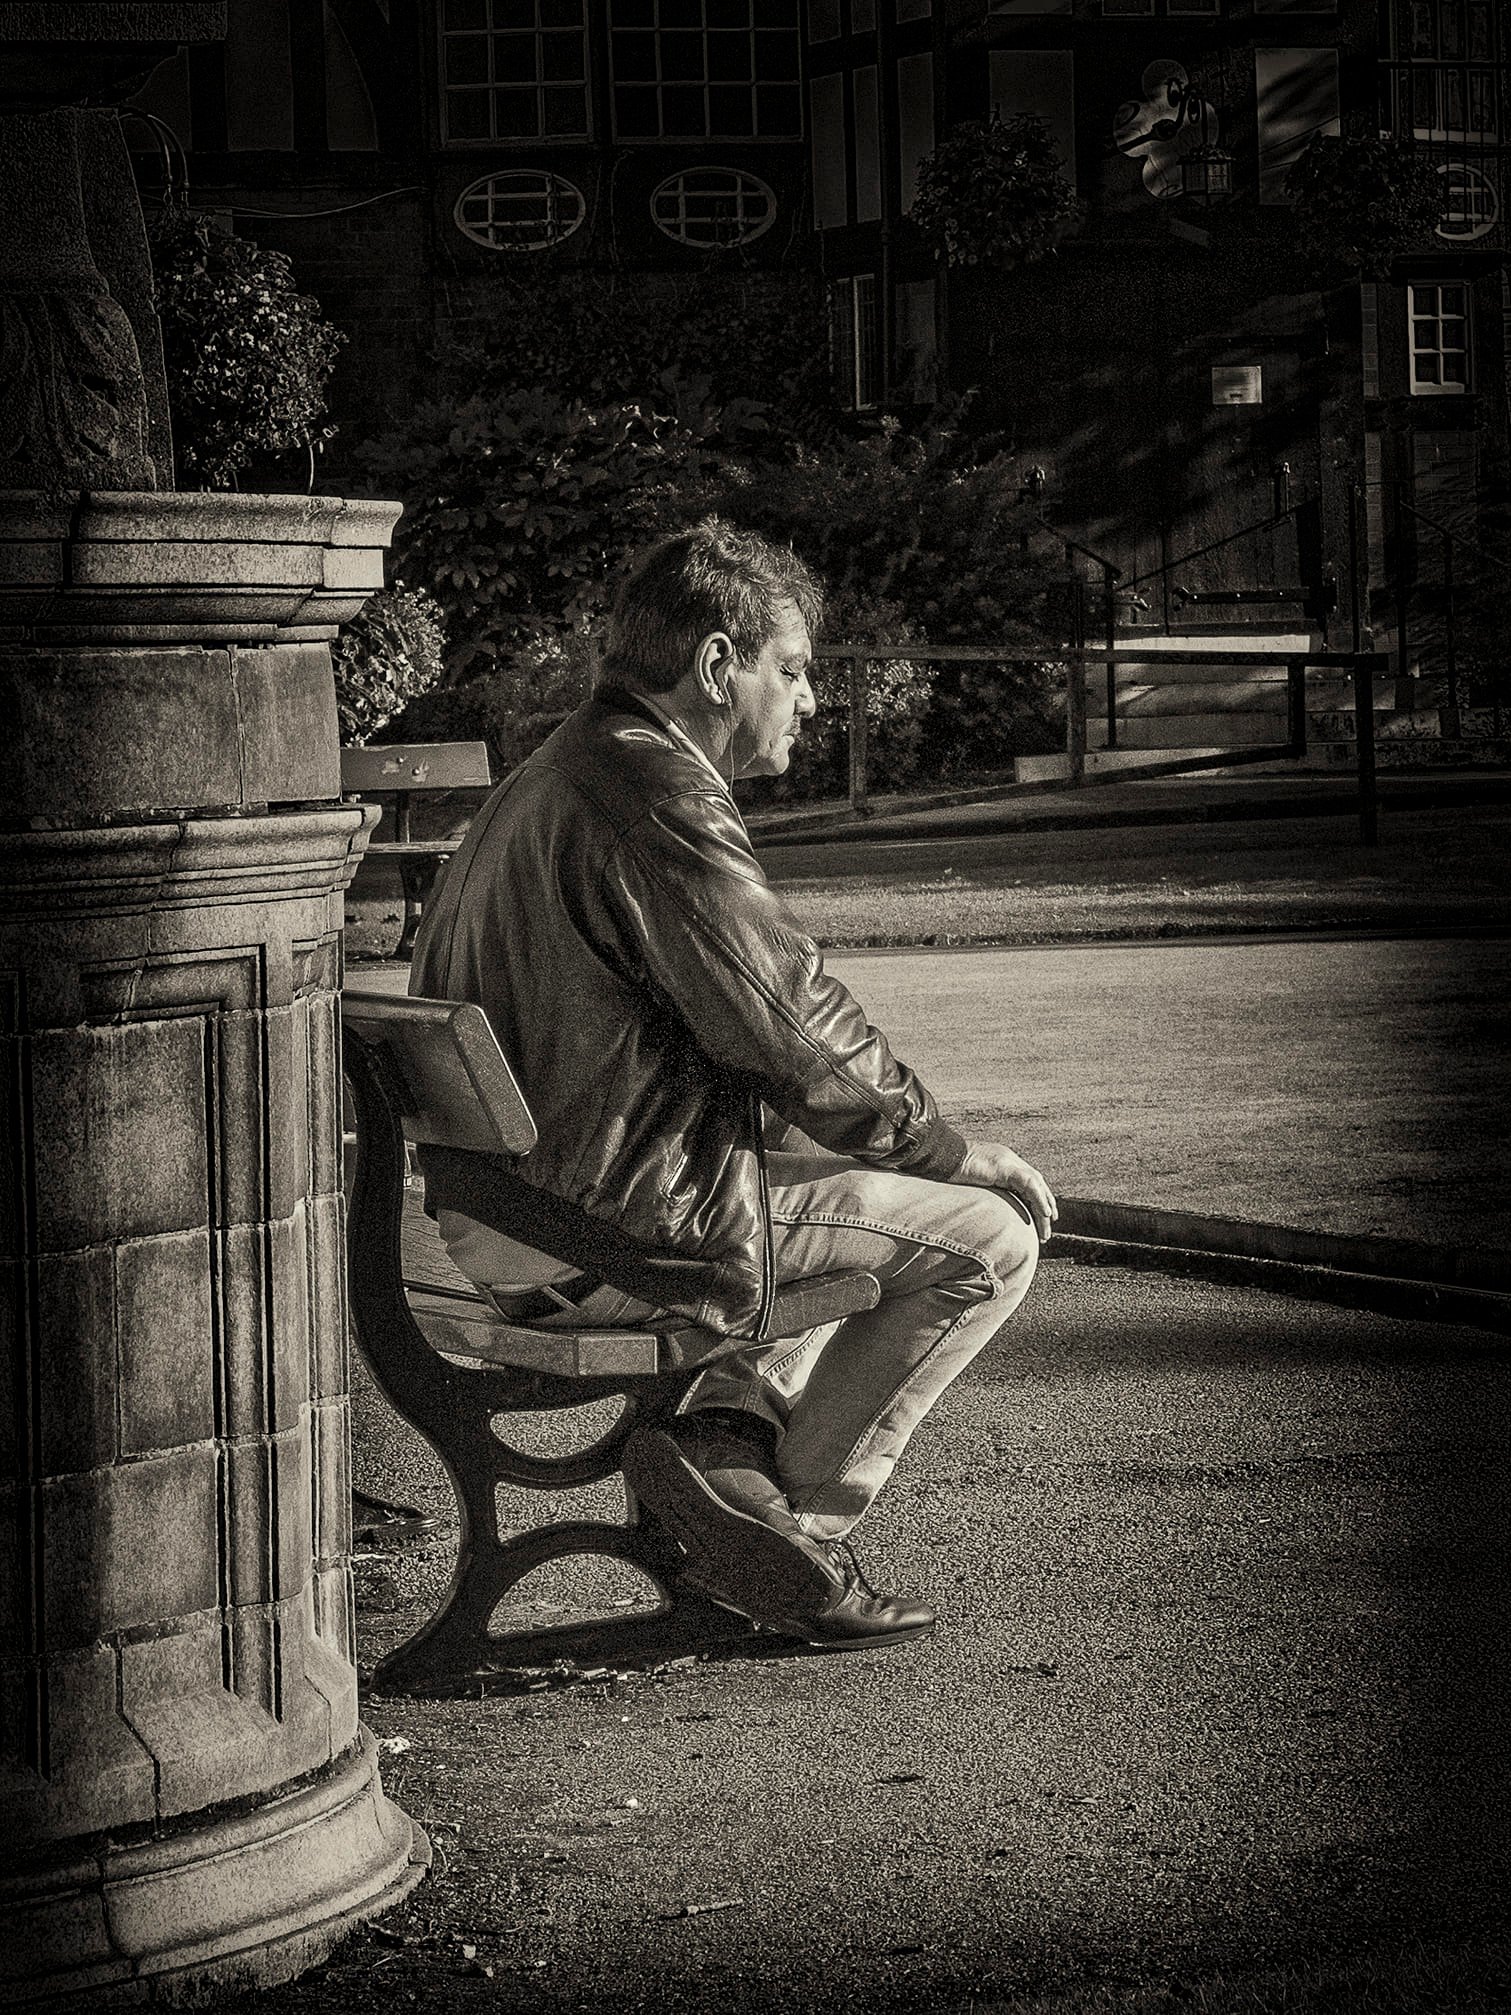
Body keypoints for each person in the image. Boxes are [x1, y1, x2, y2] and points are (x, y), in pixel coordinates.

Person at [410, 519, 1055, 1654]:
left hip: (511, 1210)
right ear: (718, 666)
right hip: (605, 1228)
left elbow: (742, 1039)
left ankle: (727, 1448)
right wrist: (947, 1146)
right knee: (989, 1238)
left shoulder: (560, 770)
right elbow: (788, 1018)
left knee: (840, 1196)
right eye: (793, 670)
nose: (809, 701)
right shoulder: (651, 788)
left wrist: (867, 1141)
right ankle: (778, 1535)